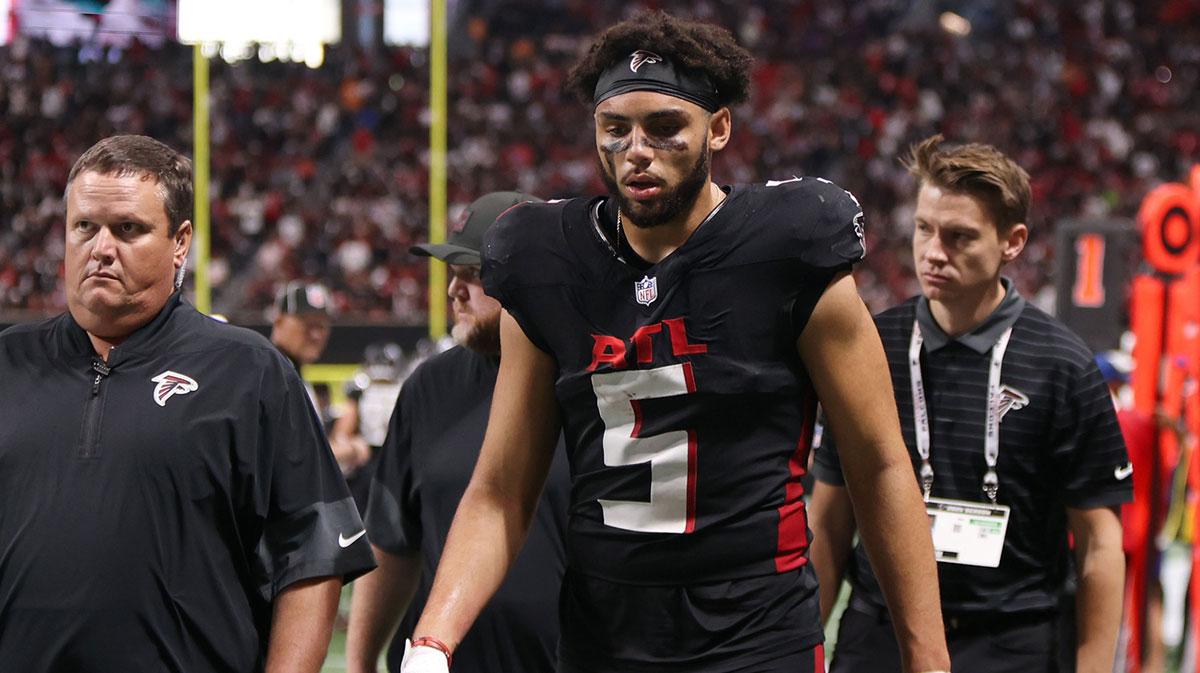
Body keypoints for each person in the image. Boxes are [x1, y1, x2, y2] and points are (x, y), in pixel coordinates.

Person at [401, 13, 950, 673]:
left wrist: (928, 659)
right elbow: (501, 489)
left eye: (664, 127)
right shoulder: (544, 258)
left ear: (718, 128)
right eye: (616, 129)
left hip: (755, 634)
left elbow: (878, 464)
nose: (637, 149)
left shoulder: (786, 245)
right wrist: (431, 640)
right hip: (604, 637)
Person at [0, 135, 376, 672]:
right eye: (85, 226)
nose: (101, 247)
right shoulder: (8, 364)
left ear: (180, 242)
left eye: (128, 229)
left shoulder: (249, 371)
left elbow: (313, 558)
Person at [808, 135, 1130, 673]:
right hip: (881, 634)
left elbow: (1099, 541)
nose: (933, 252)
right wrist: (803, 649)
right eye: (924, 229)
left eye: (959, 237)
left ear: (1013, 241)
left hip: (1011, 640)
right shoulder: (868, 346)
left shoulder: (1065, 366)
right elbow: (830, 517)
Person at [345, 191, 569, 673]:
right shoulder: (429, 386)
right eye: (453, 274)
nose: (454, 291)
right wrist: (360, 665)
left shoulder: (587, 382)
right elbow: (392, 540)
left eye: (474, 275)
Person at [330, 341, 408, 514]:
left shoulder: (407, 389)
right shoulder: (359, 391)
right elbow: (341, 434)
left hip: (397, 459)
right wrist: (352, 446)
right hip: (368, 461)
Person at [271, 280, 334, 419]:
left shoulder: (291, 372)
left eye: (322, 325)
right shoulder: (269, 375)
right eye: (308, 324)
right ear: (279, 322)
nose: (316, 335)